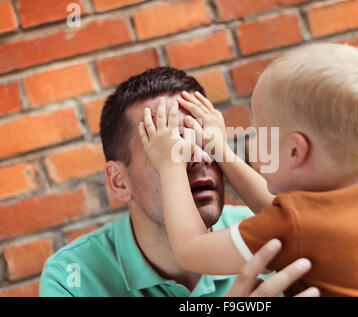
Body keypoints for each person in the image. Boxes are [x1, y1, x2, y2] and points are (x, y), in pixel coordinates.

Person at [139, 44, 358, 297]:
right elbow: (288, 215)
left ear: (294, 151)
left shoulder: (294, 223)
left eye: (258, 133)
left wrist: (170, 164)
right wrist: (220, 150)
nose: (252, 144)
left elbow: (192, 250)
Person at [39, 67, 319, 297]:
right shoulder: (72, 277)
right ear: (119, 182)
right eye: (167, 147)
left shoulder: (268, 234)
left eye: (205, 140)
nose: (198, 158)